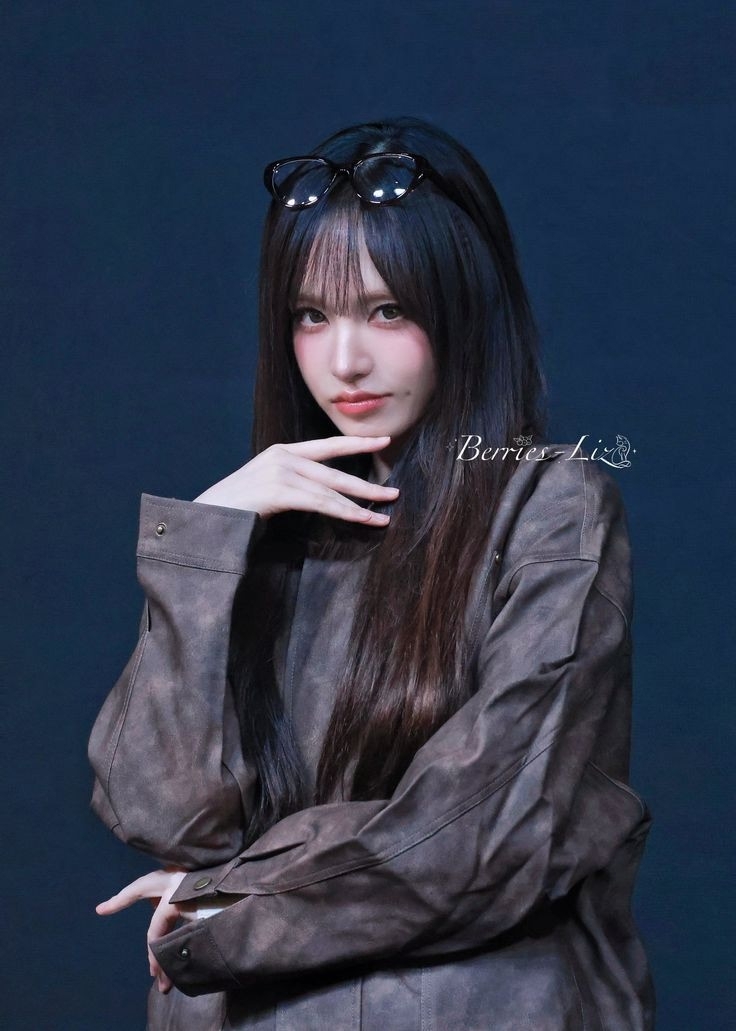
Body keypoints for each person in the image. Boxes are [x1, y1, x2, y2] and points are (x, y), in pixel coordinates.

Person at [88, 115, 656, 1030]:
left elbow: (488, 829)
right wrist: (204, 537)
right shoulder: (265, 529)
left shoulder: (550, 502)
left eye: (388, 311)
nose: (345, 360)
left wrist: (231, 900)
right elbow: (163, 815)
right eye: (311, 316)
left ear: (461, 309)